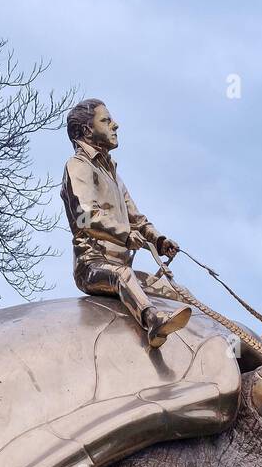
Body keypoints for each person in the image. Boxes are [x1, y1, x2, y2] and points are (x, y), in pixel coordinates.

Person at [61, 98, 191, 349]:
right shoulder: (77, 166)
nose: (115, 125)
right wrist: (125, 235)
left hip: (125, 268)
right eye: (106, 120)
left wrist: (158, 239)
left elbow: (137, 219)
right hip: (94, 267)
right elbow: (85, 217)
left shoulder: (113, 174)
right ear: (87, 130)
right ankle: (153, 322)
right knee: (122, 275)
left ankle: (240, 340)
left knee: (175, 293)